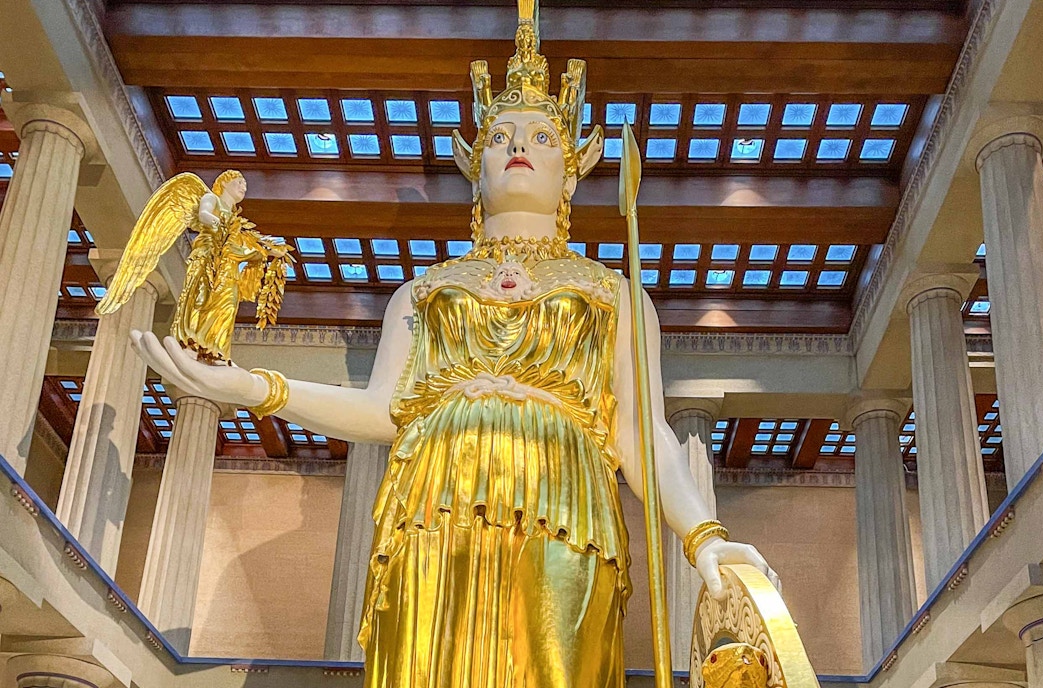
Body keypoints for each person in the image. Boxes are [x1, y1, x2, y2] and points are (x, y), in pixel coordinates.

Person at [129, 4, 778, 686]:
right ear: (474, 161)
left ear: (576, 164)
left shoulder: (615, 293)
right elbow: (384, 411)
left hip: (565, 507)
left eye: (540, 135)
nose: (517, 144)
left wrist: (704, 535)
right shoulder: (421, 292)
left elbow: (639, 434)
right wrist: (258, 389)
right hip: (432, 504)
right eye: (498, 134)